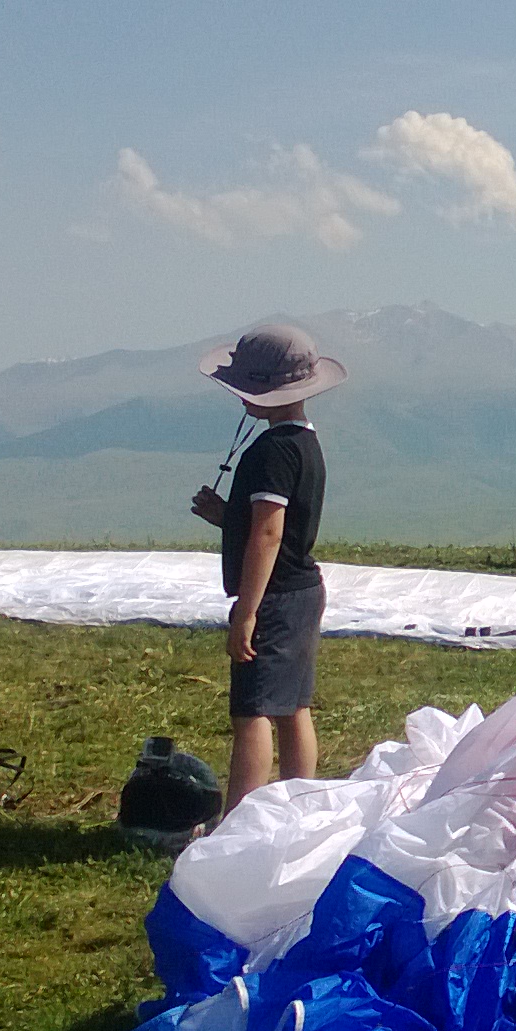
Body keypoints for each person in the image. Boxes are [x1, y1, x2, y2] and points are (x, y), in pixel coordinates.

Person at [190, 321, 342, 803]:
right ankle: (298, 805)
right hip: (303, 591)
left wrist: (247, 610)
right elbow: (282, 527)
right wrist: (228, 517)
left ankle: (241, 821)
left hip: (273, 597)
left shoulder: (271, 451)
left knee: (252, 710)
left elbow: (269, 533)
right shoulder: (304, 443)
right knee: (294, 706)